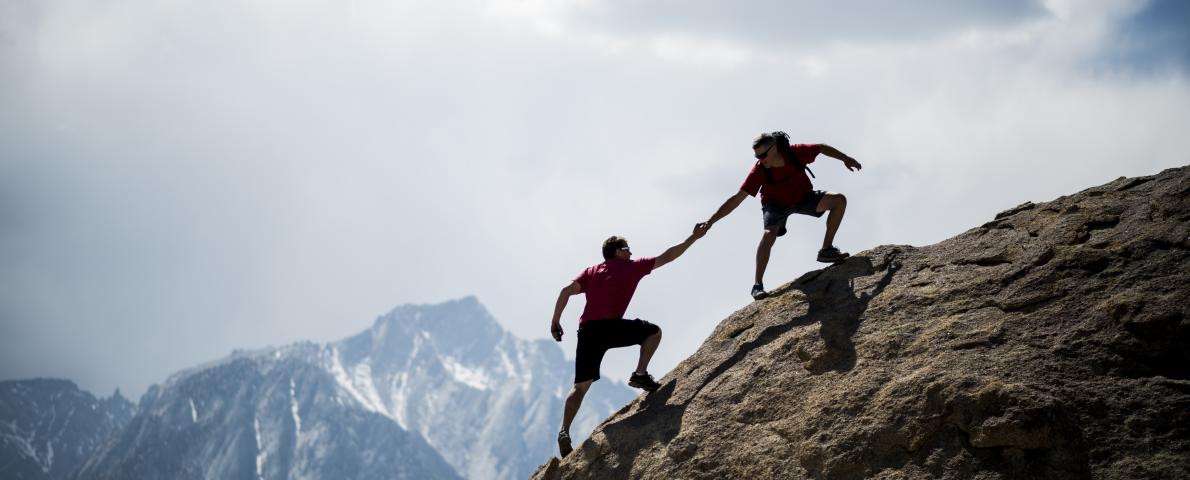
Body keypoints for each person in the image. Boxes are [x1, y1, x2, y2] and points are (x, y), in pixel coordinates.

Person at [550, 224, 708, 457]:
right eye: (627, 248)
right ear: (618, 252)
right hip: (611, 326)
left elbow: (565, 291)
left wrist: (555, 321)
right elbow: (668, 256)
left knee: (580, 386)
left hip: (588, 331)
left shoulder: (591, 271)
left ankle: (564, 430)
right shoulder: (632, 267)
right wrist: (693, 238)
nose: (631, 252)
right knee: (653, 332)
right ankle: (640, 374)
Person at [700, 131, 862, 300]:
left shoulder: (794, 153)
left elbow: (821, 148)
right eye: (757, 156)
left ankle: (826, 249)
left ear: (775, 148)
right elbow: (736, 199)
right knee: (769, 234)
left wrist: (845, 158)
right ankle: (757, 285)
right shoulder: (759, 170)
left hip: (802, 197)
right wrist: (711, 221)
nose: (760, 160)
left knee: (839, 201)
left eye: (763, 155)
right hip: (776, 205)